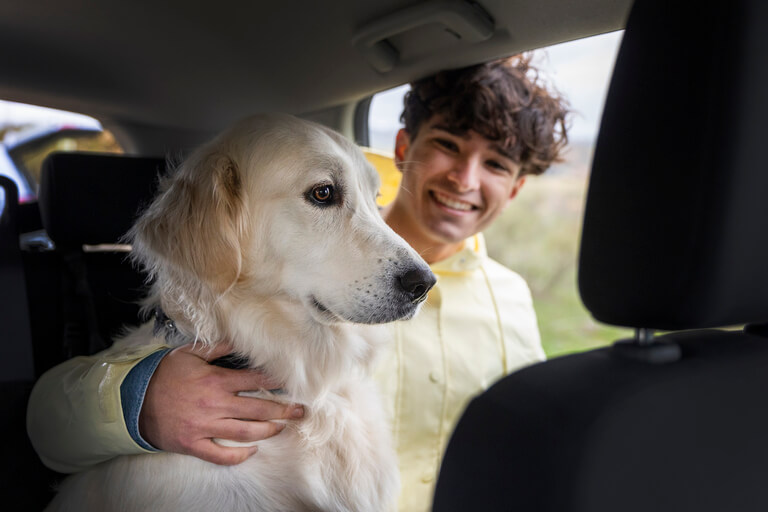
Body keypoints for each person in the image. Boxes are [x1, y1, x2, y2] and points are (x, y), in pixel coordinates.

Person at [27, 53, 568, 511]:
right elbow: (48, 417)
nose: (465, 180)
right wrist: (143, 402)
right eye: (449, 145)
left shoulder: (513, 299)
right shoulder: (276, 307)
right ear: (405, 148)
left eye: (497, 163)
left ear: (516, 188)